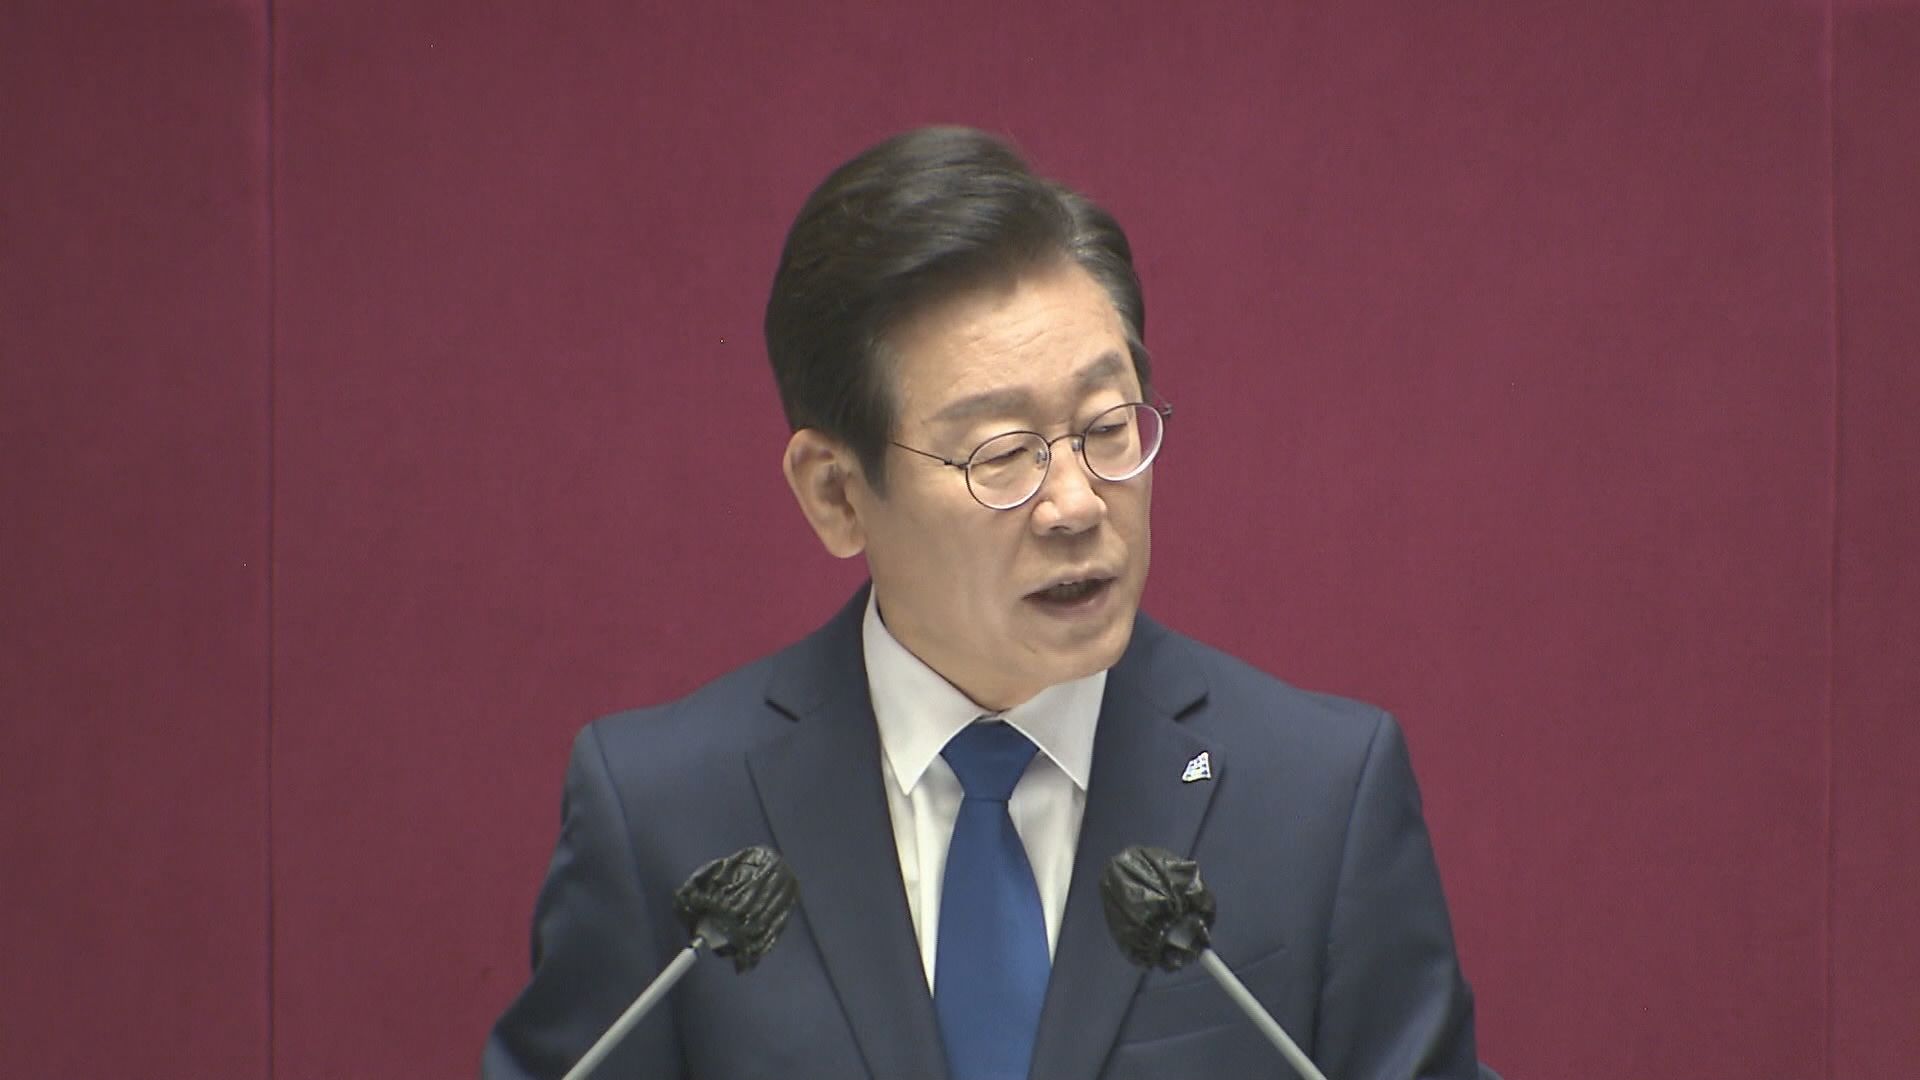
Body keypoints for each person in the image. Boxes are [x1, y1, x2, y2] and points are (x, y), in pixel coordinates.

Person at [483, 126, 1488, 1079]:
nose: (1077, 503)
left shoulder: (1318, 800)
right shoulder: (665, 815)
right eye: (1001, 455)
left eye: (1107, 427)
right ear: (837, 494)